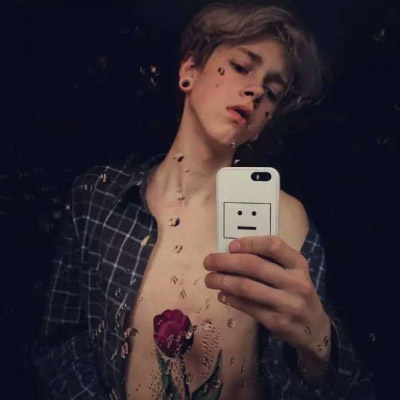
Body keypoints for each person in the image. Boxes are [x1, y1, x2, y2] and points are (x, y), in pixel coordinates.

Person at [31, 2, 377, 399]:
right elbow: (62, 341)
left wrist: (319, 347)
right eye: (241, 67)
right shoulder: (99, 198)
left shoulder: (287, 221)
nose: (255, 91)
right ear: (189, 70)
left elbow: (343, 387)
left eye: (271, 92)